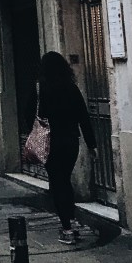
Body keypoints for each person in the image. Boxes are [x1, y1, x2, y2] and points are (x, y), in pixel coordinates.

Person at [38, 51, 97, 243]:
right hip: (71, 142)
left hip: (50, 142)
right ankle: (70, 220)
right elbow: (83, 117)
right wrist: (92, 144)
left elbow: (32, 114)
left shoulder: (42, 90)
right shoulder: (72, 88)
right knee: (65, 180)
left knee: (57, 182)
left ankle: (67, 228)